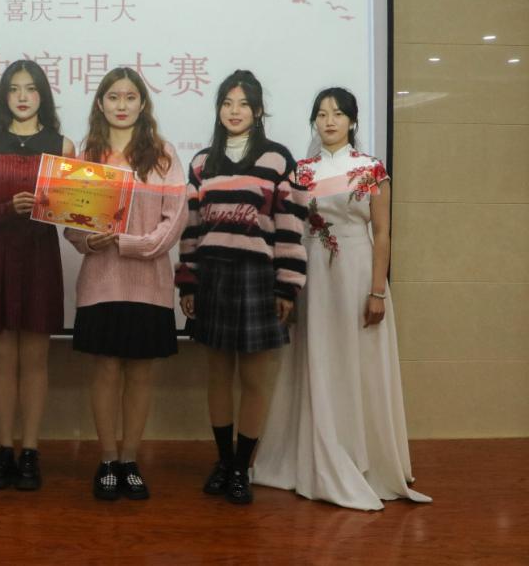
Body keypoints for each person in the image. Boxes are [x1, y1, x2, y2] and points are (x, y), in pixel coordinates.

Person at [252, 87, 432, 510]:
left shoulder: (371, 169)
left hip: (358, 275)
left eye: (337, 114)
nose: (329, 121)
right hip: (314, 276)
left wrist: (377, 290)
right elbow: (290, 231)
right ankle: (315, 457)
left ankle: (364, 459)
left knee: (360, 363)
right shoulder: (302, 172)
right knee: (317, 360)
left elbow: (382, 233)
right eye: (321, 114)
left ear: (352, 121)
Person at [176, 69, 308, 505]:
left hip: (258, 279)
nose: (234, 111)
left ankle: (241, 467)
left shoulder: (278, 159)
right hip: (212, 277)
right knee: (218, 375)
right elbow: (191, 228)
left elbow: (290, 227)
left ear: (258, 111)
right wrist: (187, 282)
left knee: (254, 379)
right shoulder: (202, 163)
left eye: (244, 104)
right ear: (218, 109)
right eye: (227, 103)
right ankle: (222, 461)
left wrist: (287, 287)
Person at [65, 67, 187, 501]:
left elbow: (174, 222)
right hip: (100, 283)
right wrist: (87, 239)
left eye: (130, 97)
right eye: (113, 97)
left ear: (142, 103)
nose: (121, 105)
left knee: (139, 373)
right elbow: (71, 224)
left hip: (149, 284)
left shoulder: (164, 154)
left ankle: (130, 459)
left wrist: (128, 243)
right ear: (100, 103)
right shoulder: (87, 155)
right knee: (105, 371)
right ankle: (107, 460)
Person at [0, 60, 75, 490]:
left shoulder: (62, 145)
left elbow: (77, 209)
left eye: (31, 89)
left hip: (40, 255)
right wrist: (8, 208)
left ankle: (30, 450)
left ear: (43, 95)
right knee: (1, 359)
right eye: (14, 89)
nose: (23, 97)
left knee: (35, 359)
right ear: (4, 96)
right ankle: (3, 450)